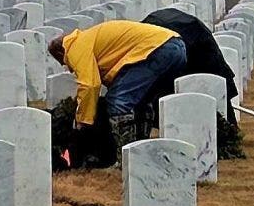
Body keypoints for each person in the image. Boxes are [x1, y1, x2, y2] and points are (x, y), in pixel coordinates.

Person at [50, 18, 187, 142]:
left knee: (118, 100)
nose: (68, 68)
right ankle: (142, 150)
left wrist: (83, 120)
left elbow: (90, 84)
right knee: (142, 101)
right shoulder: (87, 38)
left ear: (61, 52)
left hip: (156, 49)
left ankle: (125, 155)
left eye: (65, 63)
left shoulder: (74, 47)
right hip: (175, 45)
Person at [141, 7, 240, 125]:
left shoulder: (154, 30)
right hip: (181, 48)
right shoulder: (151, 27)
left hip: (193, 53)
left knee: (215, 100)